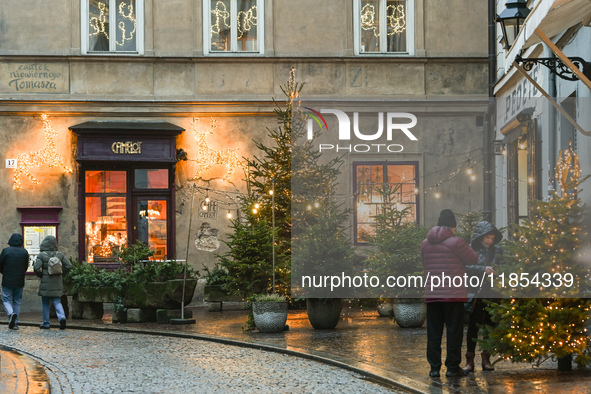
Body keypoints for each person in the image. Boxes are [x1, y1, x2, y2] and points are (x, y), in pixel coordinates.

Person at [420, 209, 478, 378]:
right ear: (452, 227)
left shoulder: (425, 243)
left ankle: (434, 368)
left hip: (433, 294)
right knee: (454, 331)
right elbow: (473, 259)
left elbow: (424, 263)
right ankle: (452, 368)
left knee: (434, 332)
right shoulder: (456, 242)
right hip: (453, 294)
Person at [463, 221, 502, 372]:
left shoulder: (497, 250)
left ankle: (486, 358)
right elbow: (465, 266)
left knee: (489, 326)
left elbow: (504, 265)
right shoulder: (471, 249)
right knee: (473, 326)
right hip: (476, 291)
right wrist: (482, 269)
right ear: (480, 237)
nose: (489, 241)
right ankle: (470, 359)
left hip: (492, 292)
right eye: (487, 237)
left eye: (492, 238)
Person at [33, 235, 72, 330]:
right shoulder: (60, 255)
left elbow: (36, 268)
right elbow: (69, 265)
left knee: (45, 303)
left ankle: (46, 323)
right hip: (57, 282)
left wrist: (41, 275)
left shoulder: (41, 255)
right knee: (57, 301)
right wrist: (61, 273)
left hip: (46, 282)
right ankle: (62, 317)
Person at [0, 233, 30, 330]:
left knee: (6, 299)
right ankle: (15, 323)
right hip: (19, 280)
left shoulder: (6, 251)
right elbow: (26, 266)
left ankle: (10, 313)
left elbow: (0, 264)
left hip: (7, 279)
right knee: (17, 301)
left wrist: (4, 272)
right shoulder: (24, 252)